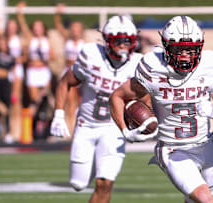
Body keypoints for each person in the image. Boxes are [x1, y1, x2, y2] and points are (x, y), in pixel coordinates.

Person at [109, 16, 213, 203]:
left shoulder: (210, 64)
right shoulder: (153, 67)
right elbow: (117, 96)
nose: (186, 55)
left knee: (195, 200)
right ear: (167, 46)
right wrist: (125, 131)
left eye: (191, 49)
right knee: (205, 199)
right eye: (179, 48)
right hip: (173, 150)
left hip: (205, 148)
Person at [50, 15, 142, 203]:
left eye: (128, 41)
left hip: (114, 129)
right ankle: (92, 165)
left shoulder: (138, 64)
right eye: (119, 41)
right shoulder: (91, 55)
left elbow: (148, 97)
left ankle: (101, 168)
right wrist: (58, 114)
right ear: (107, 40)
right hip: (86, 126)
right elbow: (65, 82)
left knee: (105, 183)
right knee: (78, 184)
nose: (124, 46)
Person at [16, 1, 55, 117]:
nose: (37, 29)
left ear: (43, 29)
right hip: (32, 70)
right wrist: (19, 12)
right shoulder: (30, 38)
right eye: (35, 27)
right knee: (34, 98)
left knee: (46, 95)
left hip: (43, 70)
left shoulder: (47, 40)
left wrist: (47, 57)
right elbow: (22, 25)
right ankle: (36, 118)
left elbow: (53, 56)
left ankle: (47, 117)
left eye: (39, 27)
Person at [53, 3, 85, 136]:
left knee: (78, 101)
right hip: (69, 71)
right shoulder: (67, 38)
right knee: (69, 101)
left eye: (78, 29)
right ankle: (68, 128)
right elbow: (57, 24)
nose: (75, 31)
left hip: (81, 72)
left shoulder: (85, 42)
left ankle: (75, 129)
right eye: (74, 28)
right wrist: (58, 12)